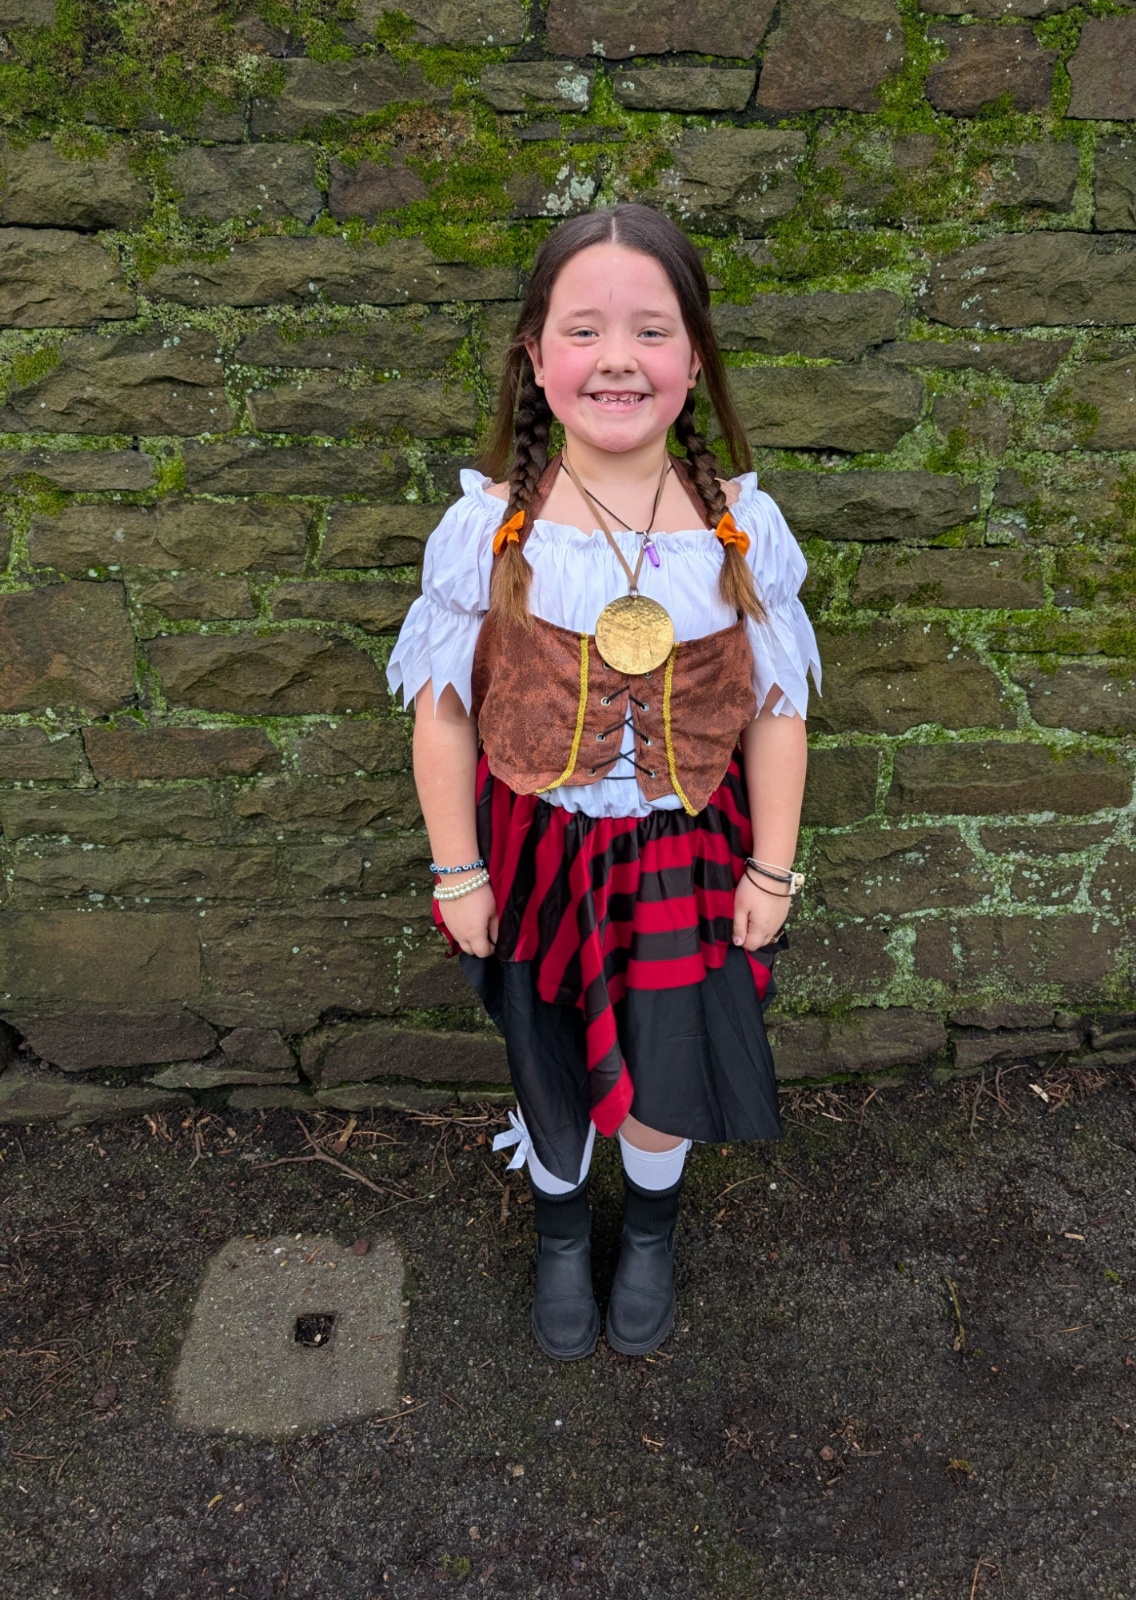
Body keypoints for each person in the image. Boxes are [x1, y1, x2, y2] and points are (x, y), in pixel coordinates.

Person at [387, 203, 819, 1362]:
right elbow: (443, 713)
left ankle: (652, 1233)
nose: (616, 357)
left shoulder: (739, 529)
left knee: (667, 1061)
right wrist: (457, 869)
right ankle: (563, 1230)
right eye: (583, 330)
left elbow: (778, 710)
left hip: (688, 851)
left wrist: (773, 867)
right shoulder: (491, 529)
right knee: (549, 1061)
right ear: (535, 356)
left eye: (650, 330)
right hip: (538, 850)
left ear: (694, 357)